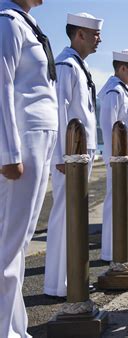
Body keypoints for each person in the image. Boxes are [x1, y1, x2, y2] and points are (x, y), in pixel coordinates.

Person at [0, 0, 58, 336]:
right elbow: (2, 87)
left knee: (19, 245)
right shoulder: (7, 23)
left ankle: (16, 329)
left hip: (39, 140)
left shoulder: (25, 24)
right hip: (23, 141)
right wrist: (7, 152)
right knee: (8, 246)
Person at [43, 12, 103, 299]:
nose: (98, 39)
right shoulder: (66, 65)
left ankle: (71, 279)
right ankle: (57, 283)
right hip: (71, 153)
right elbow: (58, 113)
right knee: (64, 215)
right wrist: (61, 155)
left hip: (81, 151)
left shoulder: (78, 65)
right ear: (79, 34)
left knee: (74, 215)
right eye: (94, 34)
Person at [99, 49, 128, 261]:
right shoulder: (114, 92)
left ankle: (118, 248)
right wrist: (113, 158)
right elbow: (108, 127)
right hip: (118, 156)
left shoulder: (122, 90)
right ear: (122, 68)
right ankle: (111, 251)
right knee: (114, 201)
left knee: (119, 201)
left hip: (124, 155)